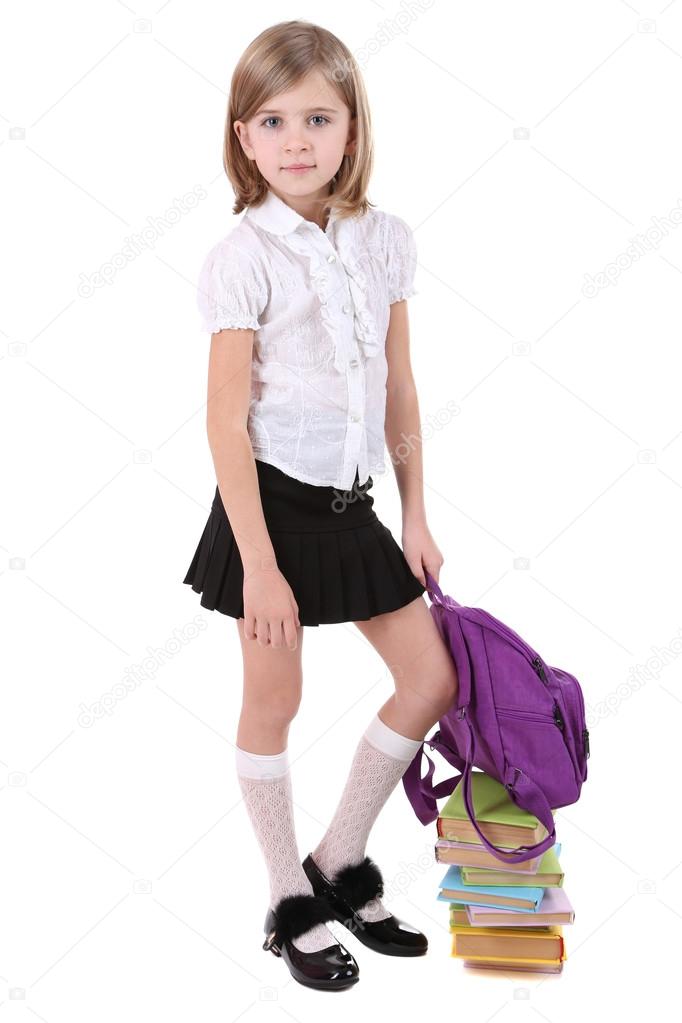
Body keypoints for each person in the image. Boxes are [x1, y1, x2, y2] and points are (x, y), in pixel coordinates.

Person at [183, 19, 459, 991]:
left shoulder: (385, 241)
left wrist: (415, 511)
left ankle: (336, 860)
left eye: (317, 116)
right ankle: (283, 896)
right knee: (277, 697)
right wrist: (259, 565)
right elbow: (223, 425)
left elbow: (400, 389)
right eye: (272, 119)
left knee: (430, 680)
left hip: (351, 510)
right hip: (268, 513)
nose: (296, 139)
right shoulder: (243, 255)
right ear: (242, 136)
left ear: (350, 128)